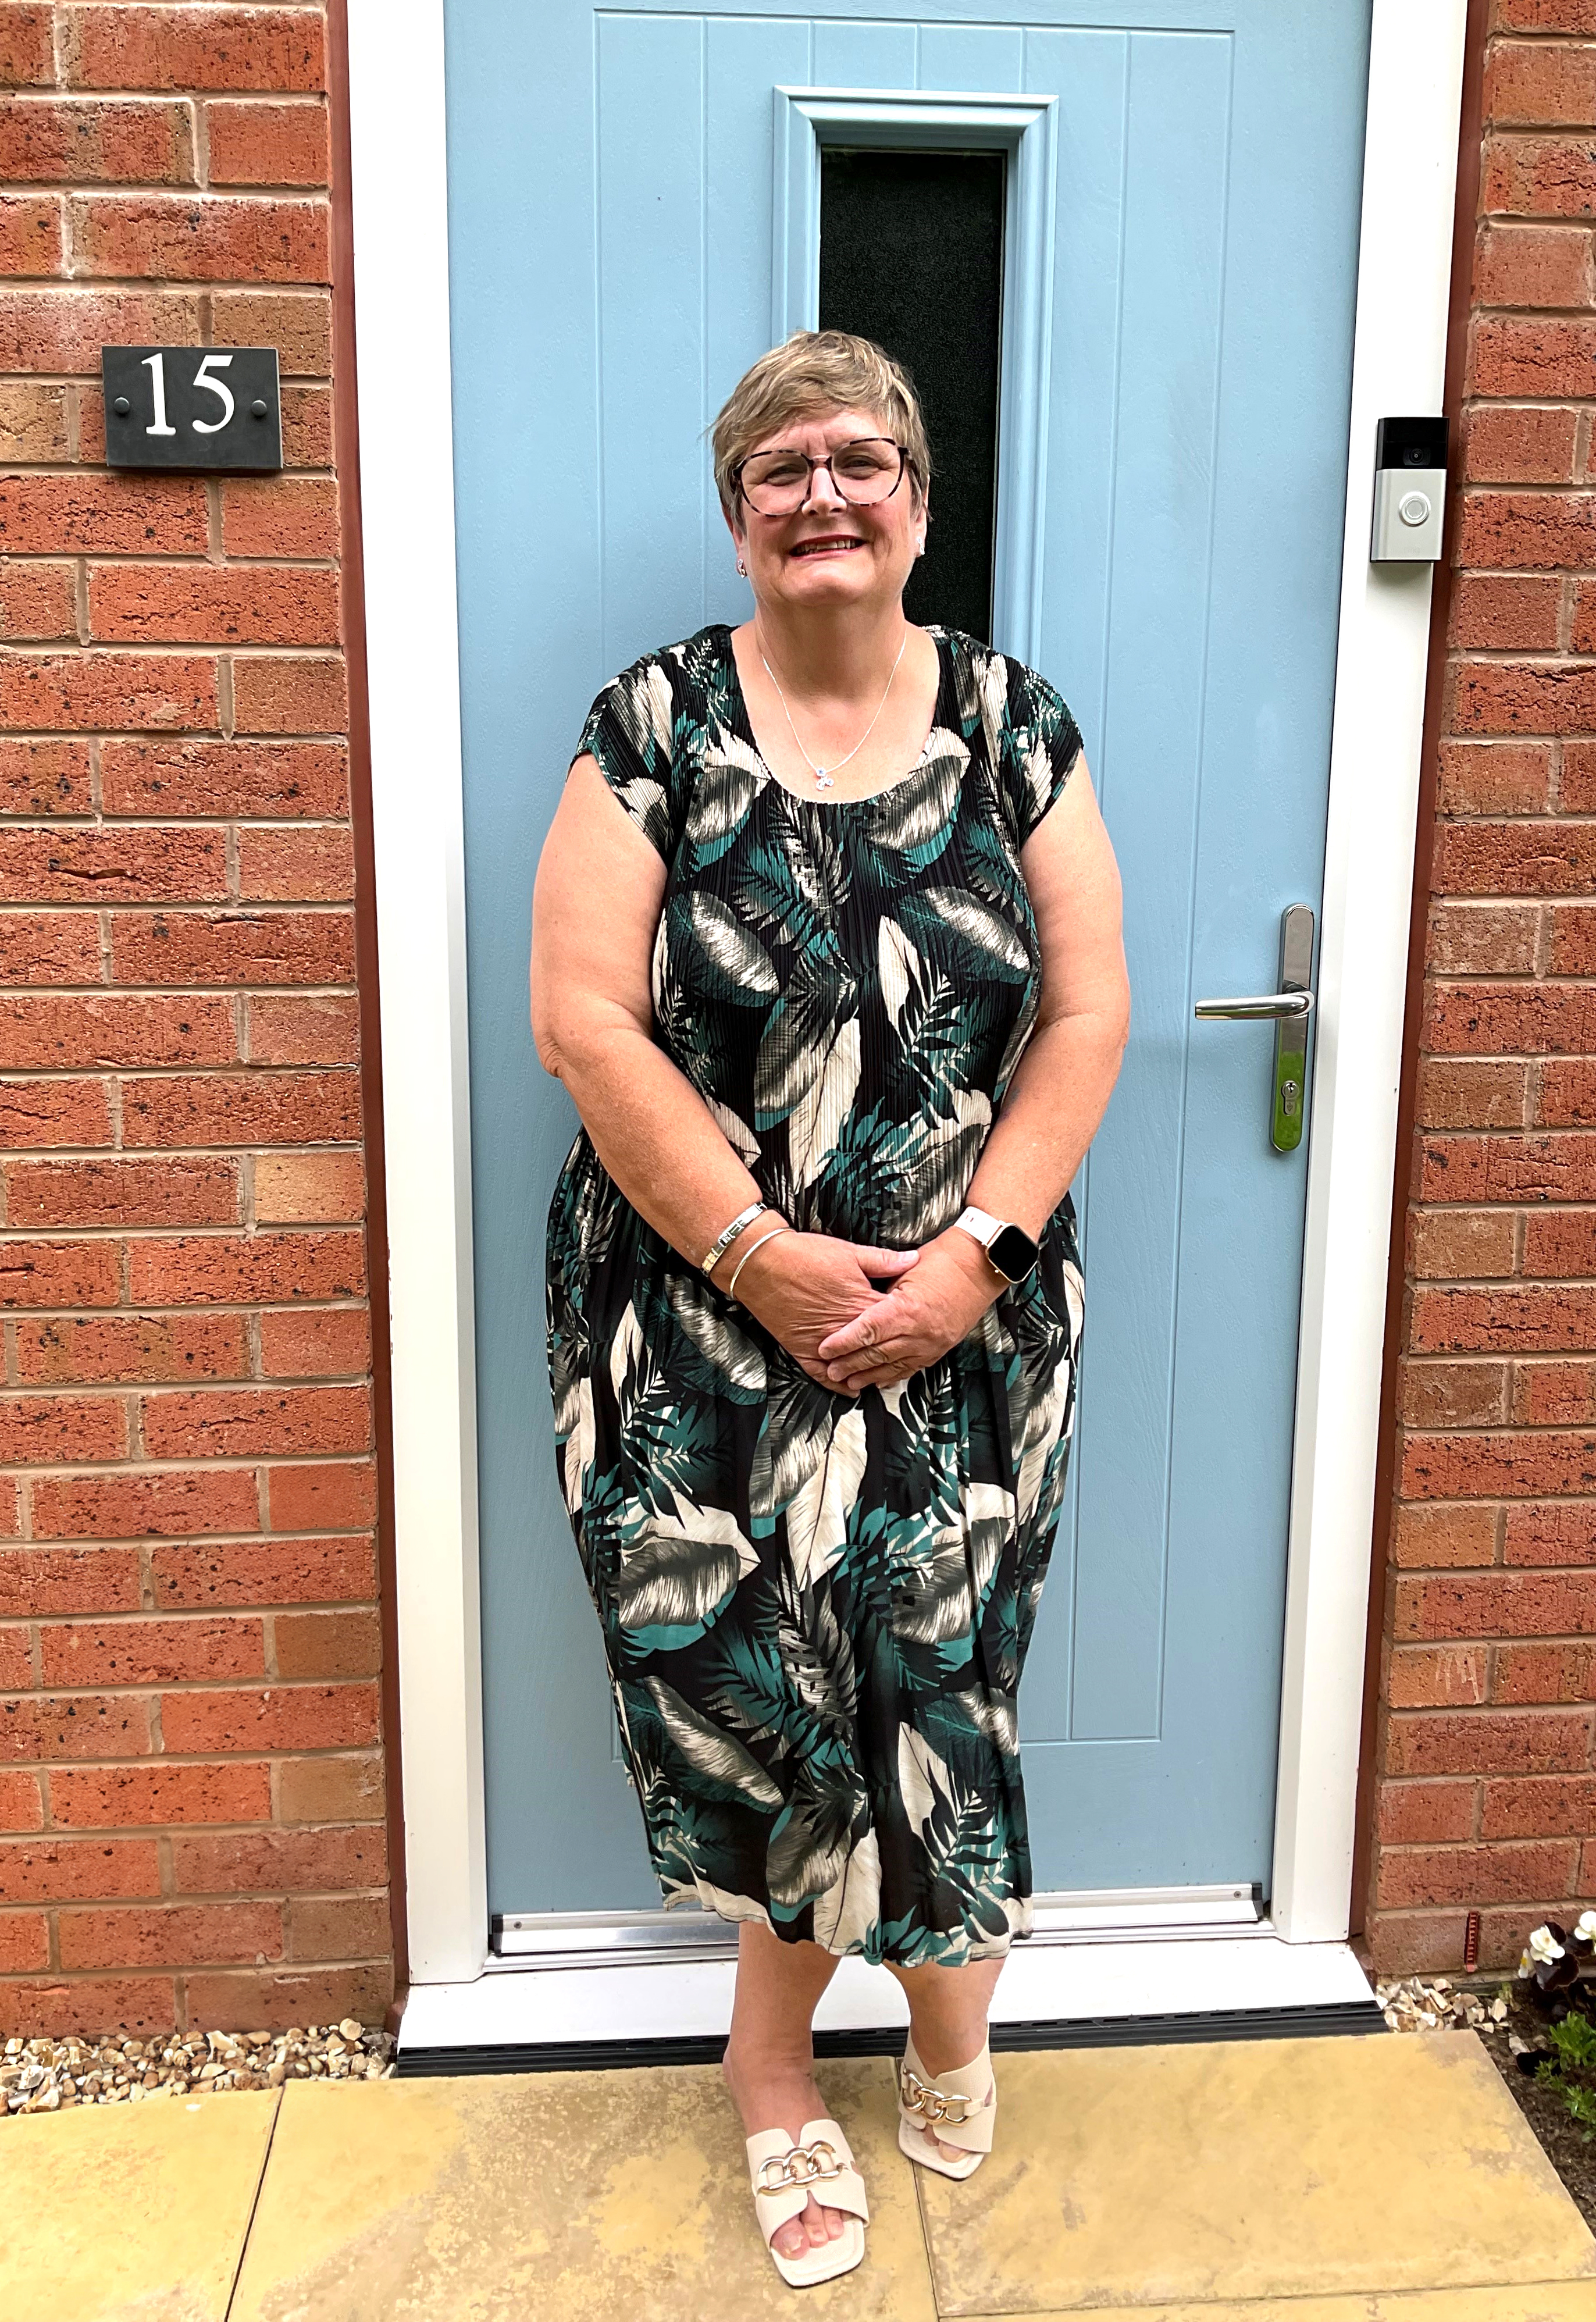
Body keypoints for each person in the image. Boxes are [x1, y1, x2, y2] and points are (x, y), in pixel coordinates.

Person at [530, 329, 1129, 2288]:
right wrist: (760, 1256)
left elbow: (1093, 1010)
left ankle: (950, 2015)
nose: (823, 493)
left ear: (920, 505)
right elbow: (583, 1019)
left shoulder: (1018, 726)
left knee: (939, 1677)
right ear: (735, 517)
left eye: (860, 460)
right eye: (780, 468)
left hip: (970, 1309)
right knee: (773, 1695)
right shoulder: (649, 727)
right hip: (694, 1315)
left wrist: (976, 1258)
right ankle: (773, 2072)